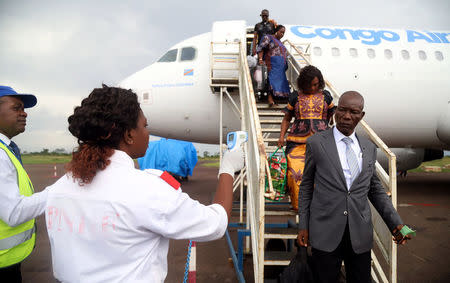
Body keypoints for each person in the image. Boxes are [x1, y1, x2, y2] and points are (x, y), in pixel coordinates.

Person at [44, 85, 244, 282]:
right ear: (129, 135)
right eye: (145, 126)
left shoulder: (59, 188)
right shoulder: (149, 189)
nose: (147, 133)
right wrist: (227, 168)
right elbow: (215, 223)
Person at [297, 91, 411, 283]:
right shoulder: (316, 143)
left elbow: (375, 189)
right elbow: (306, 186)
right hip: (325, 232)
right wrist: (303, 225)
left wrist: (395, 223)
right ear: (335, 111)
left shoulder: (368, 148)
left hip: (359, 235)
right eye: (342, 110)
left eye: (354, 112)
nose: (347, 116)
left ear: (361, 115)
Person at [0, 85, 48, 283]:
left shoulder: (6, 148)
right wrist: (57, 192)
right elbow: (14, 213)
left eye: (23, 108)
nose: (24, 114)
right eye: (16, 108)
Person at [277, 66, 335, 210]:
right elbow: (286, 119)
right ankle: (300, 207)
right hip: (296, 142)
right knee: (294, 173)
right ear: (303, 83)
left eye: (315, 84)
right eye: (309, 84)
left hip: (321, 142)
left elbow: (332, 117)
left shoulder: (326, 96)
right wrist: (281, 137)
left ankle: (318, 207)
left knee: (322, 174)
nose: (312, 87)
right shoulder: (295, 96)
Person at [257, 25, 290, 106]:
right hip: (272, 62)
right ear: (276, 31)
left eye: (283, 33)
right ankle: (270, 99)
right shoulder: (269, 38)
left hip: (281, 65)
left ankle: (274, 100)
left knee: (279, 83)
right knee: (271, 81)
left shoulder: (280, 42)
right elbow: (261, 48)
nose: (282, 34)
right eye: (281, 32)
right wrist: (260, 59)